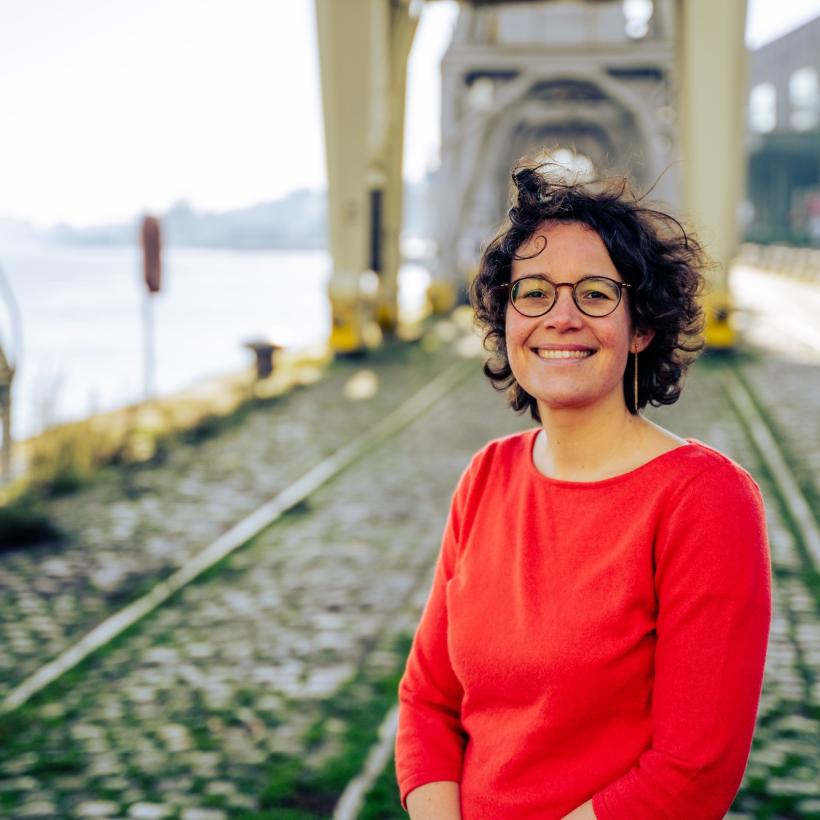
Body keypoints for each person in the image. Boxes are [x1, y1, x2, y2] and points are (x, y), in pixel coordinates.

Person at [394, 160, 773, 819]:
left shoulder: (706, 500)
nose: (561, 317)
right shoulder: (486, 476)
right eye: (533, 292)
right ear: (506, 319)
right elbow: (428, 700)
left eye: (595, 294)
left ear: (642, 326)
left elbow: (693, 770)